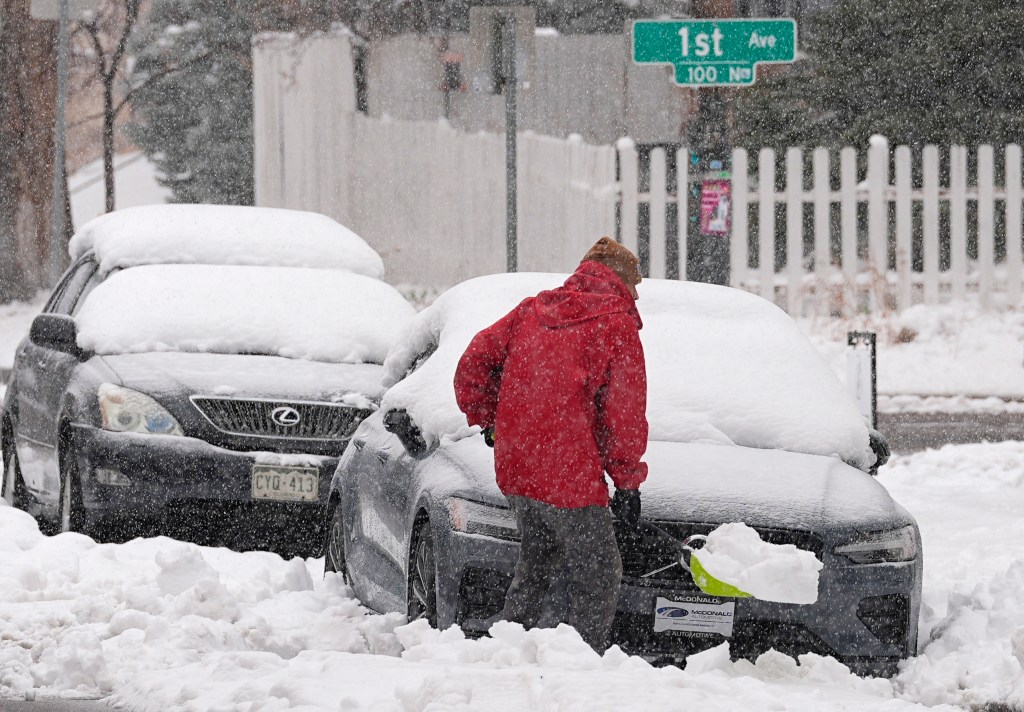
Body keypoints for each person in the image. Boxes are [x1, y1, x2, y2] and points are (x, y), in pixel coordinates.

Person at [453, 236, 649, 651]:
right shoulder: (615, 324)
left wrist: (491, 420)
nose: (636, 293)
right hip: (569, 476)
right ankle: (580, 661)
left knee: (537, 562)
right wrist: (628, 482)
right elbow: (623, 415)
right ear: (619, 281)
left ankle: (508, 643)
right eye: (635, 284)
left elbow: (472, 365)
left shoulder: (531, 312)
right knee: (599, 575)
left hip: (519, 467)